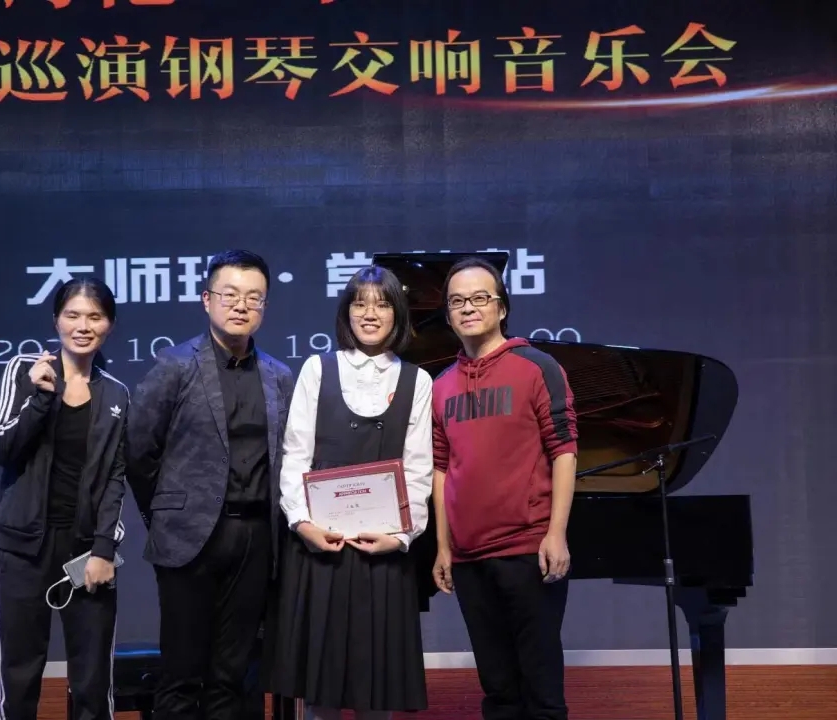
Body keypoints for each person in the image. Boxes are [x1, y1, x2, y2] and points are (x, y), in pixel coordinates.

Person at [126, 249, 294, 720]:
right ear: (206, 299)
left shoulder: (279, 376)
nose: (241, 305)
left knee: (233, 673)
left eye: (254, 297)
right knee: (182, 671)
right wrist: (165, 514)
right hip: (188, 538)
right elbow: (138, 450)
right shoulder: (175, 366)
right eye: (230, 294)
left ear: (264, 306)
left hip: (256, 537)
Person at [267, 265, 434, 720]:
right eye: (360, 303)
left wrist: (400, 537)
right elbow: (295, 455)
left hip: (383, 551)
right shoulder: (317, 369)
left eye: (382, 304)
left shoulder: (417, 381)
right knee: (318, 691)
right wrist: (302, 523)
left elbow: (418, 470)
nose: (370, 313)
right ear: (346, 312)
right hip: (320, 546)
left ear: (398, 314)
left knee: (376, 689)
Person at [430, 256, 578, 720]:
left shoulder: (537, 367)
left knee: (541, 690)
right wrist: (443, 547)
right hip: (468, 559)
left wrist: (556, 533)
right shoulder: (440, 386)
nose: (468, 308)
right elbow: (440, 469)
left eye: (480, 298)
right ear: (448, 314)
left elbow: (565, 450)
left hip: (527, 549)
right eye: (457, 301)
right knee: (498, 692)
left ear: (502, 307)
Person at [0, 277, 131, 720]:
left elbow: (115, 477)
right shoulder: (24, 371)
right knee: (19, 678)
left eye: (94, 317)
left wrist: (104, 550)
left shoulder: (116, 393)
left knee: (93, 684)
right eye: (72, 315)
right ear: (56, 320)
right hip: (22, 550)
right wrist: (40, 397)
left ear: (109, 325)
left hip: (86, 553)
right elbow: (2, 449)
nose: (83, 326)